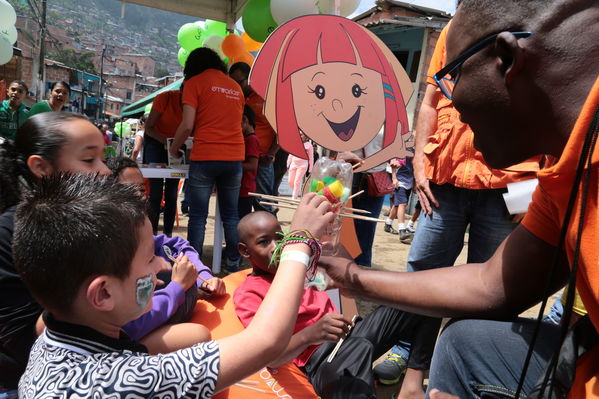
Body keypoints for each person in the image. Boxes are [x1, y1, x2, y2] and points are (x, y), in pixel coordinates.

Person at [320, 0, 599, 398]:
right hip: (448, 186)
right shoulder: (562, 174)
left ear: (506, 59)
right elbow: (491, 285)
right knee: (465, 340)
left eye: (453, 75)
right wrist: (354, 278)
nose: (448, 101)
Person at [16, 174, 335, 398]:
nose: (162, 267)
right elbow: (265, 342)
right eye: (148, 260)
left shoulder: (53, 335)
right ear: (102, 293)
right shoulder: (130, 382)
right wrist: (298, 240)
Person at [372, 17, 542, 398]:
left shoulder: (536, 20)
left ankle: (462, 372)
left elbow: (547, 105)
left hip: (506, 186)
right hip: (443, 182)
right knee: (422, 274)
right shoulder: (454, 28)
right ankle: (411, 359)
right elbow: (431, 99)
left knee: (492, 290)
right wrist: (418, 163)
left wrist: (534, 185)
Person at [233, 211, 427, 399]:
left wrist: (339, 263)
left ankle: (412, 385)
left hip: (352, 333)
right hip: (322, 360)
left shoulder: (302, 266)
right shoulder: (248, 293)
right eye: (264, 242)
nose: (276, 247)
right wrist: (310, 335)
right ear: (244, 250)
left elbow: (346, 280)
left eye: (280, 238)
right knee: (350, 379)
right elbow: (268, 356)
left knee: (421, 297)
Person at [0, 112, 111, 396]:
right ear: (41, 167)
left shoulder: (95, 220)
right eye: (89, 160)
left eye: (103, 158)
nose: (106, 171)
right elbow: (21, 338)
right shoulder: (8, 235)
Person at [249, 14, 414, 174]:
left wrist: (387, 156)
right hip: (344, 173)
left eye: (357, 89)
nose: (338, 103)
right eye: (319, 91)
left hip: (371, 178)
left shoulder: (381, 119)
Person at [105, 156, 225, 353]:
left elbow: (174, 245)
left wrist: (203, 276)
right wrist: (177, 288)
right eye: (129, 189)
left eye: (142, 189)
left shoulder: (138, 232)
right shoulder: (109, 253)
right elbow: (129, 325)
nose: (140, 196)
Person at [170, 48, 245, 272]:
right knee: (231, 215)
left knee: (198, 215)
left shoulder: (195, 84)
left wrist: (174, 148)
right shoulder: (235, 87)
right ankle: (233, 260)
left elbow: (187, 125)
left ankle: (194, 265)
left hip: (206, 155)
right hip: (234, 157)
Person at [229, 62, 280, 214]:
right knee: (239, 207)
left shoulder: (266, 98)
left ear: (249, 78)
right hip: (239, 159)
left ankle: (272, 237)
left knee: (263, 205)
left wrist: (271, 153)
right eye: (233, 83)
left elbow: (282, 130)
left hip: (262, 160)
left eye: (239, 82)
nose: (236, 86)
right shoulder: (235, 96)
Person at [145, 88, 184, 236]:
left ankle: (167, 234)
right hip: (157, 145)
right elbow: (149, 128)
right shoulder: (165, 98)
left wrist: (177, 145)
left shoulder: (194, 103)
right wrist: (167, 143)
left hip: (176, 147)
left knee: (172, 194)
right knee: (155, 194)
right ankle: (152, 233)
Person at [385, 156, 415, 243]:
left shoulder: (418, 150)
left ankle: (388, 224)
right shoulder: (406, 148)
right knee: (403, 204)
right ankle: (402, 231)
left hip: (409, 182)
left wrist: (415, 183)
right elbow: (394, 164)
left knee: (397, 205)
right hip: (400, 181)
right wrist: (394, 179)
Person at [239, 105, 260, 220]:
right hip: (243, 188)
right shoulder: (247, 138)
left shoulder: (251, 139)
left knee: (242, 221)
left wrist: (233, 166)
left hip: (245, 189)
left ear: (245, 120)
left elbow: (252, 165)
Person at [286, 132, 314, 200]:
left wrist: (310, 169)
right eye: (299, 135)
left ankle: (294, 197)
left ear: (306, 137)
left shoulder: (309, 145)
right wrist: (288, 164)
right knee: (290, 181)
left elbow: (311, 158)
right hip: (293, 163)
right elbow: (291, 154)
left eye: (301, 135)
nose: (300, 136)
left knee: (297, 181)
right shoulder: (295, 143)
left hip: (303, 165)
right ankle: (296, 191)